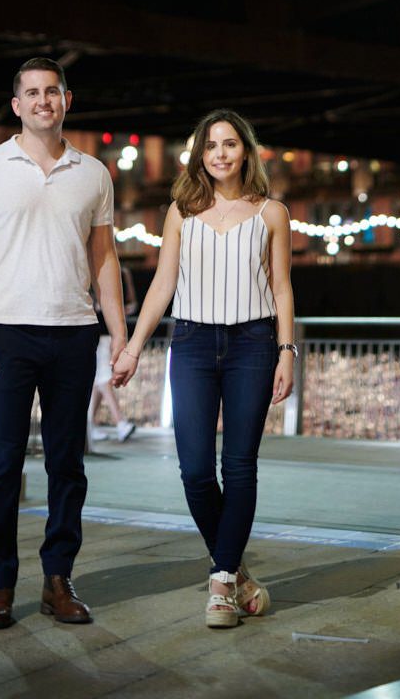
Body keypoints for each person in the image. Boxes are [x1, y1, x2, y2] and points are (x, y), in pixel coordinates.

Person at [0, 57, 128, 630]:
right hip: (5, 333)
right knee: (0, 464)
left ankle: (57, 580)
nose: (43, 100)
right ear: (17, 105)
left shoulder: (94, 173)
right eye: (32, 93)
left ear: (66, 101)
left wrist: (119, 332)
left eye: (53, 91)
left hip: (74, 333)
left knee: (68, 464)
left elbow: (103, 259)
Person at [113, 109, 296, 629]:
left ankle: (220, 584)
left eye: (230, 144)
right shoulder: (181, 211)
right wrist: (132, 348)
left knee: (238, 467)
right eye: (211, 145)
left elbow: (282, 288)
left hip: (253, 345)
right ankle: (238, 573)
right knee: (194, 470)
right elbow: (162, 286)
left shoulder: (271, 213)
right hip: (190, 343)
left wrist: (287, 350)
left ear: (246, 151)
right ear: (200, 156)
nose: (220, 153)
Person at [89, 266, 137, 443]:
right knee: (103, 379)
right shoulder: (96, 270)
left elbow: (131, 303)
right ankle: (120, 422)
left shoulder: (122, 272)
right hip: (100, 334)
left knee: (99, 381)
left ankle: (89, 425)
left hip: (112, 334)